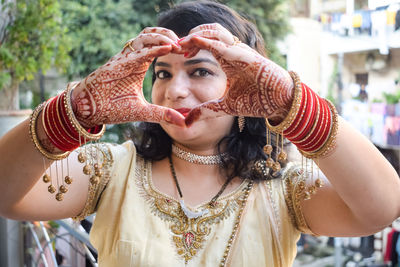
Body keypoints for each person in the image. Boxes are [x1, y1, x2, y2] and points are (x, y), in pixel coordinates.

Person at [0, 1, 400, 266]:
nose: (174, 90)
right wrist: (75, 109)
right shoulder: (111, 171)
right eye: (162, 73)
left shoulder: (285, 190)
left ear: (246, 84)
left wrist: (289, 102)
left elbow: (382, 207)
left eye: (200, 71)